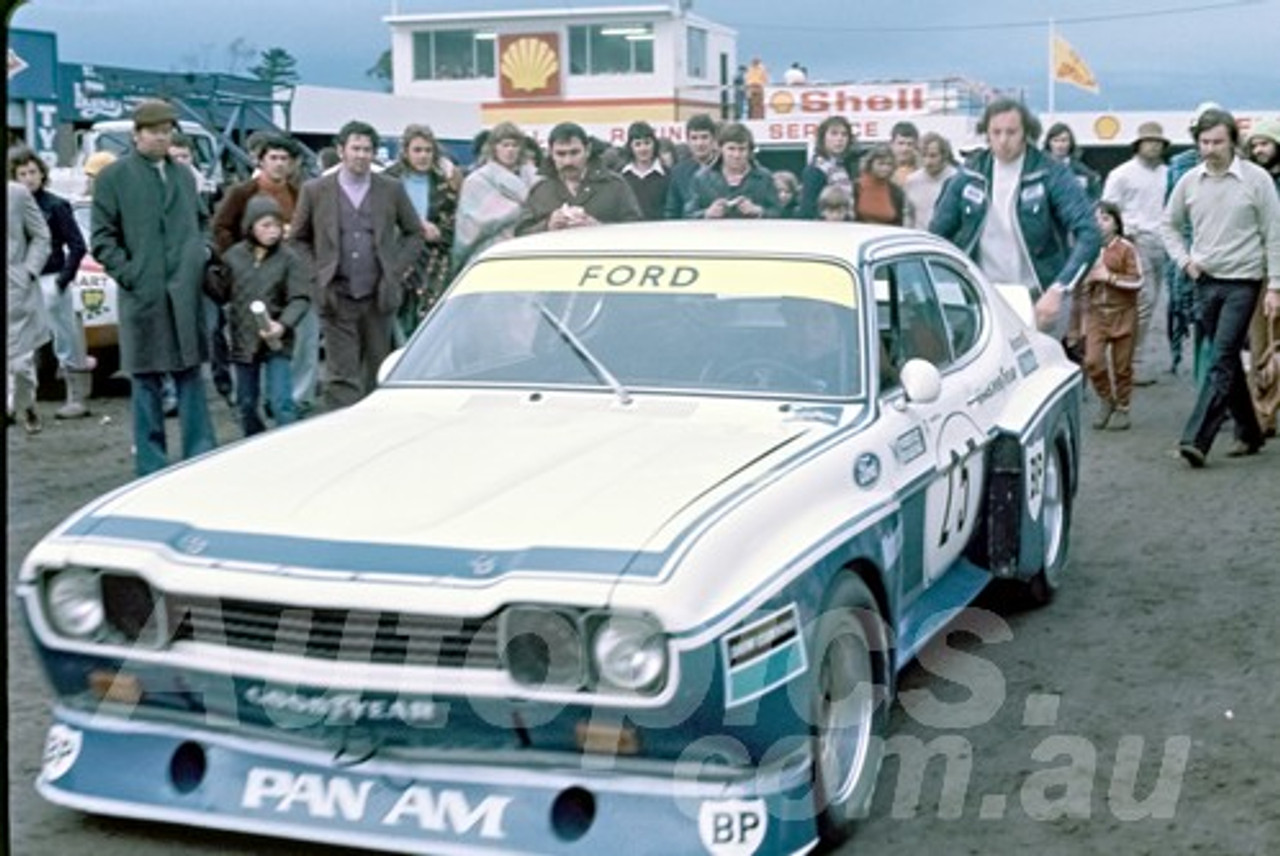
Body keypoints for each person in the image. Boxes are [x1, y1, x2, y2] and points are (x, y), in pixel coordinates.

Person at [90, 99, 217, 475]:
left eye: (167, 132)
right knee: (145, 380)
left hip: (185, 292)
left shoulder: (182, 174)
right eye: (156, 132)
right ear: (137, 134)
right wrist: (133, 275)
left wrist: (201, 252)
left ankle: (199, 454)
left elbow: (201, 220)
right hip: (142, 295)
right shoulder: (114, 177)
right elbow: (102, 238)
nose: (163, 139)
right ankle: (151, 464)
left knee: (191, 374)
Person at [1161, 108, 1280, 467]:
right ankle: (1250, 431)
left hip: (1245, 280)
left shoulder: (1256, 180)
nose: (1210, 149)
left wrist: (1275, 285)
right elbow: (1168, 225)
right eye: (1204, 142)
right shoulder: (1189, 182)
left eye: (1217, 142)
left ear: (1232, 142)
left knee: (1222, 356)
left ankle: (1196, 439)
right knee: (1225, 359)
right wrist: (1185, 261)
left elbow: (1274, 234)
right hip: (1205, 281)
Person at [930, 97, 1100, 335]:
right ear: (986, 132)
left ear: (1026, 132)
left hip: (1039, 296)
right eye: (996, 132)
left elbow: (1089, 233)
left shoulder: (1051, 172)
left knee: (1042, 368)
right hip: (983, 296)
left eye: (1011, 132)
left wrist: (1059, 288)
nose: (1003, 140)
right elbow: (937, 234)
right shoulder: (969, 174)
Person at [289, 119, 425, 411]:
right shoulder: (315, 190)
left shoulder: (390, 189)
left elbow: (415, 233)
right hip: (335, 295)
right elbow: (297, 239)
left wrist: (395, 269)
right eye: (356, 148)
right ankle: (343, 429)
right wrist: (317, 274)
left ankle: (379, 426)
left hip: (378, 294)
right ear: (341, 150)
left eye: (367, 149)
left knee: (379, 369)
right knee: (341, 375)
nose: (361, 155)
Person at [210, 134, 316, 414]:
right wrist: (239, 260)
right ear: (261, 160)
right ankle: (252, 405)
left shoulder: (299, 192)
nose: (280, 164)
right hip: (250, 281)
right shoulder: (243, 192)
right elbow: (220, 227)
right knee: (248, 347)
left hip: (290, 277)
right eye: (274, 158)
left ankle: (291, 400)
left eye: (285, 159)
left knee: (295, 341)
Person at [204, 196, 310, 437]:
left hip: (277, 340)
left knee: (281, 401)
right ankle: (255, 444)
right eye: (265, 225)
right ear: (251, 226)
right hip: (243, 340)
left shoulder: (289, 258)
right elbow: (221, 293)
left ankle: (289, 447)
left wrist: (283, 325)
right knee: (246, 403)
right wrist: (207, 271)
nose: (273, 231)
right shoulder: (234, 257)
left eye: (277, 225)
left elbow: (300, 298)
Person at [9, 146, 91, 420]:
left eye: (33, 172)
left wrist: (63, 280)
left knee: (65, 338)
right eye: (22, 173)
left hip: (51, 279)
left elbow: (77, 245)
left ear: (42, 174)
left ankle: (76, 398)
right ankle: (21, 403)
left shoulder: (55, 205)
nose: (29, 178)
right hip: (19, 282)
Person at [1102, 121, 1171, 386]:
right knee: (1143, 302)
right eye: (1149, 141)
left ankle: (1128, 359)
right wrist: (1120, 237)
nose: (1153, 145)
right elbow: (1108, 208)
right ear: (1138, 144)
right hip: (1135, 241)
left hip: (1163, 243)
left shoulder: (1168, 173)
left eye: (1158, 142)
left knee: (1150, 305)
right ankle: (1131, 362)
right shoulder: (1122, 174)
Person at [384, 123, 461, 339]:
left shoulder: (444, 183)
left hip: (433, 260)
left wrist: (439, 232)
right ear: (406, 152)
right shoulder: (388, 179)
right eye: (417, 150)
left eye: (428, 150)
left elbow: (454, 220)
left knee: (430, 322)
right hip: (396, 257)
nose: (423, 156)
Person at [1165, 101, 1221, 380]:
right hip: (1191, 254)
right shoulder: (1179, 165)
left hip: (1227, 252)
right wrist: (1181, 261)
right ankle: (1205, 391)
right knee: (1197, 319)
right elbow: (1171, 217)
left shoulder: (1239, 166)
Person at [515, 121, 642, 234]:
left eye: (574, 153)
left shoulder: (614, 186)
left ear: (587, 150)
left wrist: (599, 228)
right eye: (561, 154)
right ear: (551, 153)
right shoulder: (540, 190)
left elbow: (637, 231)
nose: (568, 161)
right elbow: (520, 233)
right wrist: (547, 226)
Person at [1082, 202, 1143, 430]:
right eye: (1096, 218)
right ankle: (1106, 398)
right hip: (1097, 313)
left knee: (1122, 365)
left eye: (1106, 218)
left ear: (1117, 223)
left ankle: (1123, 407)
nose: (1100, 223)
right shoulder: (1087, 248)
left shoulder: (1126, 248)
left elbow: (1138, 280)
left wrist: (1109, 277)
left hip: (1123, 312)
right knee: (1092, 361)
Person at [451, 121, 540, 273]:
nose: (510, 150)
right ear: (494, 148)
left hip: (530, 250)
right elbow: (469, 227)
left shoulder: (535, 177)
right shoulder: (477, 181)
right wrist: (517, 211)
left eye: (514, 145)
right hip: (490, 254)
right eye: (505, 145)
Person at [7, 180, 52, 434]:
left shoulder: (16, 194)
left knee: (20, 362)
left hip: (15, 287)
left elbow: (41, 234)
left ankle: (27, 404)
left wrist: (29, 270)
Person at [1245, 118, 1280, 436]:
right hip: (1259, 271)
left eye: (1265, 143)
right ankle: (1263, 416)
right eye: (1254, 145)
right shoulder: (1248, 181)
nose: (1259, 150)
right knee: (1261, 345)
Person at [685, 122, 779, 219]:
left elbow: (779, 213)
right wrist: (707, 213)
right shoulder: (701, 178)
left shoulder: (764, 177)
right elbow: (688, 214)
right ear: (720, 149)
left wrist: (758, 211)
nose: (736, 155)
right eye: (731, 149)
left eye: (742, 149)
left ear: (749, 151)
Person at [798, 116, 859, 220]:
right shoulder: (815, 169)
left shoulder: (844, 167)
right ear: (823, 138)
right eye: (834, 133)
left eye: (844, 134)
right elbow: (807, 210)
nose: (840, 139)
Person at [664, 114, 718, 220]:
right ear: (688, 141)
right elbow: (672, 211)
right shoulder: (679, 172)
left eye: (704, 137)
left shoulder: (726, 168)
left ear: (713, 139)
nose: (699, 143)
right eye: (694, 138)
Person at [902, 131, 958, 230]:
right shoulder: (912, 181)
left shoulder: (956, 180)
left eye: (933, 156)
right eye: (924, 155)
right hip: (921, 240)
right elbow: (908, 215)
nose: (928, 162)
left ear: (943, 155)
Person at [620, 121, 670, 221]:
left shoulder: (668, 175)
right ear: (630, 147)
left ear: (654, 144)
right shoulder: (621, 177)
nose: (643, 149)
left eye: (647, 143)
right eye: (637, 144)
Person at [1043, 122, 1102, 201]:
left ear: (1070, 143)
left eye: (1063, 141)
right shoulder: (1038, 171)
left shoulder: (1085, 173)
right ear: (1049, 143)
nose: (1059, 145)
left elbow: (1095, 200)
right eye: (1055, 140)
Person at [853, 144, 906, 226]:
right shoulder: (857, 187)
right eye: (881, 164)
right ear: (870, 164)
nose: (885, 168)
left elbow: (899, 221)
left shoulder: (896, 192)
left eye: (889, 164)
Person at [889, 121, 921, 186]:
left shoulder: (925, 170)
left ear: (916, 146)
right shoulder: (879, 169)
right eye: (901, 143)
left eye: (909, 144)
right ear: (892, 144)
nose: (905, 148)